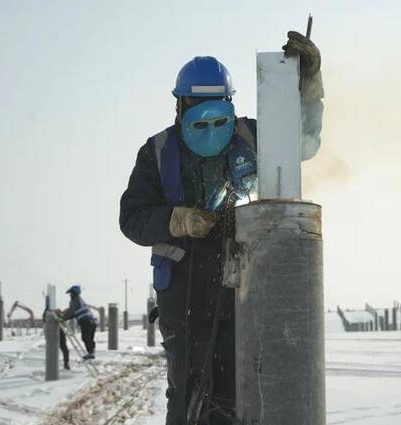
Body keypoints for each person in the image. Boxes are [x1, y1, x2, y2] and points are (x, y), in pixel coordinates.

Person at [119, 31, 323, 425]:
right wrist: (176, 219)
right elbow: (132, 219)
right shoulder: (158, 152)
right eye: (199, 111)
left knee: (236, 386)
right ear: (181, 106)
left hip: (243, 283)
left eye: (219, 110)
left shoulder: (251, 136)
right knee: (188, 391)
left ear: (230, 103)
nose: (210, 125)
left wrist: (308, 83)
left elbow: (304, 143)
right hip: (183, 288)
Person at [59, 285, 96, 360]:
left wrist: (63, 318)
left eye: (71, 293)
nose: (70, 295)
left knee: (86, 338)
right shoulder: (79, 300)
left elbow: (71, 312)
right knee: (88, 338)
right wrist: (65, 317)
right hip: (91, 322)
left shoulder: (75, 300)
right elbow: (74, 313)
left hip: (86, 322)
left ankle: (91, 353)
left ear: (74, 293)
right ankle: (91, 352)